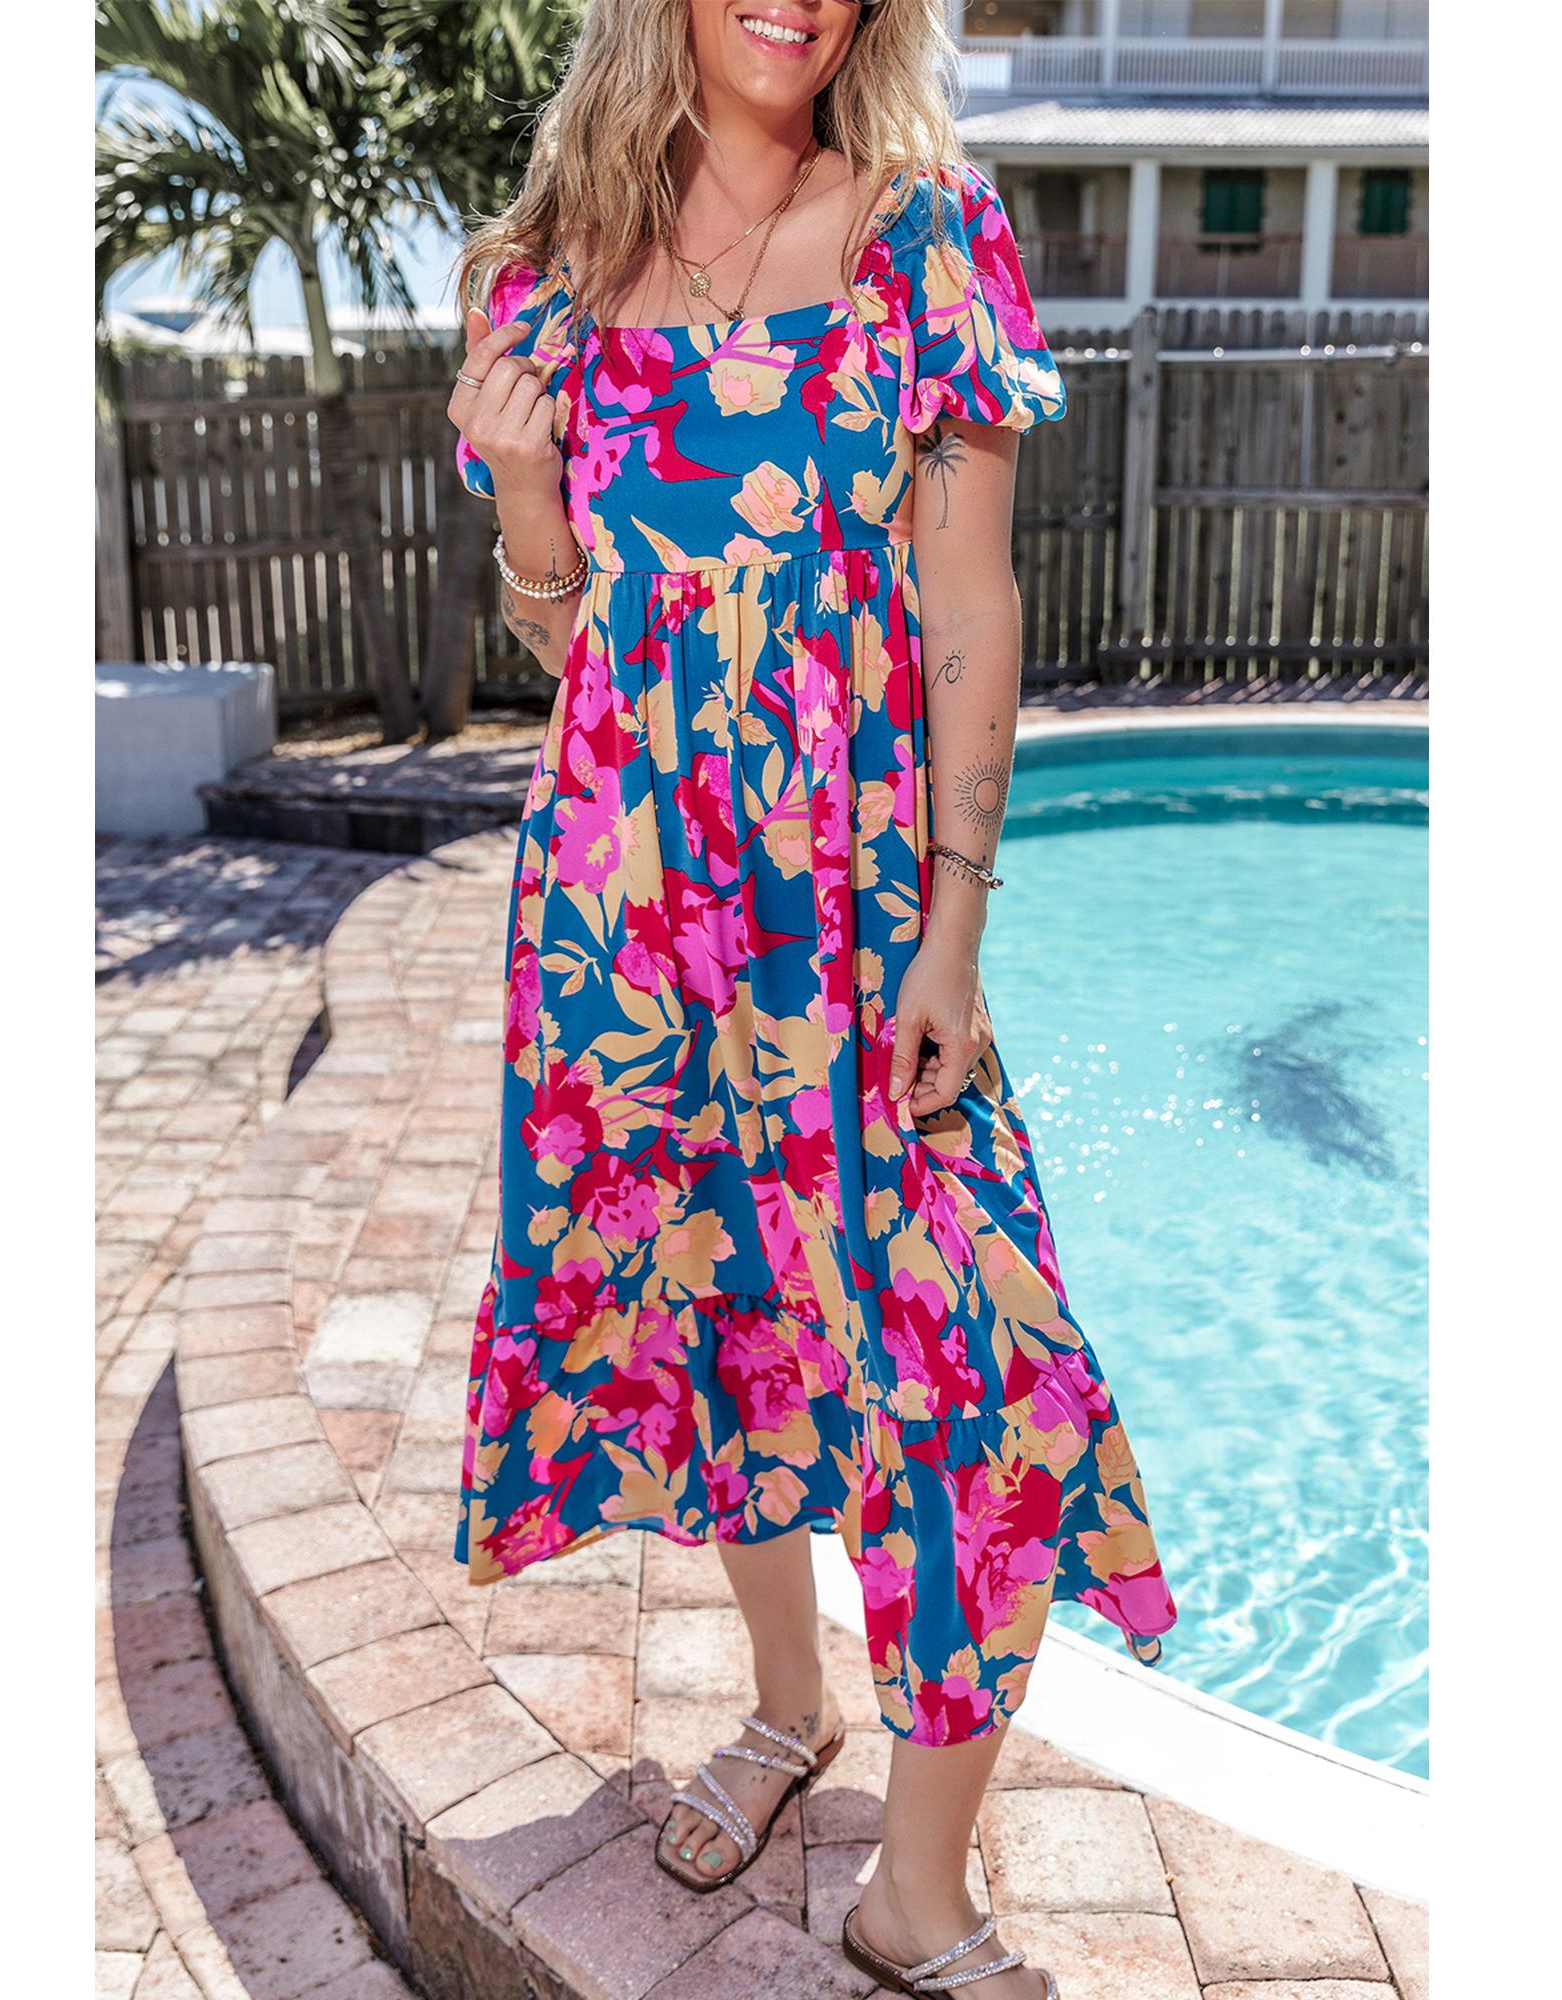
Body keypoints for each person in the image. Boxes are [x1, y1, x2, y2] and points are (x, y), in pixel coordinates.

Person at [446, 4, 1176, 1992]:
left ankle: (912, 1891)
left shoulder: (927, 237)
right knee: (721, 1319)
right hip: (626, 919)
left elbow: (971, 602)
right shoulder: (540, 272)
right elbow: (564, 632)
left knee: (991, 1382)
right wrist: (522, 491)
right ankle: (789, 1706)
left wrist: (955, 924)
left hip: (851, 919)